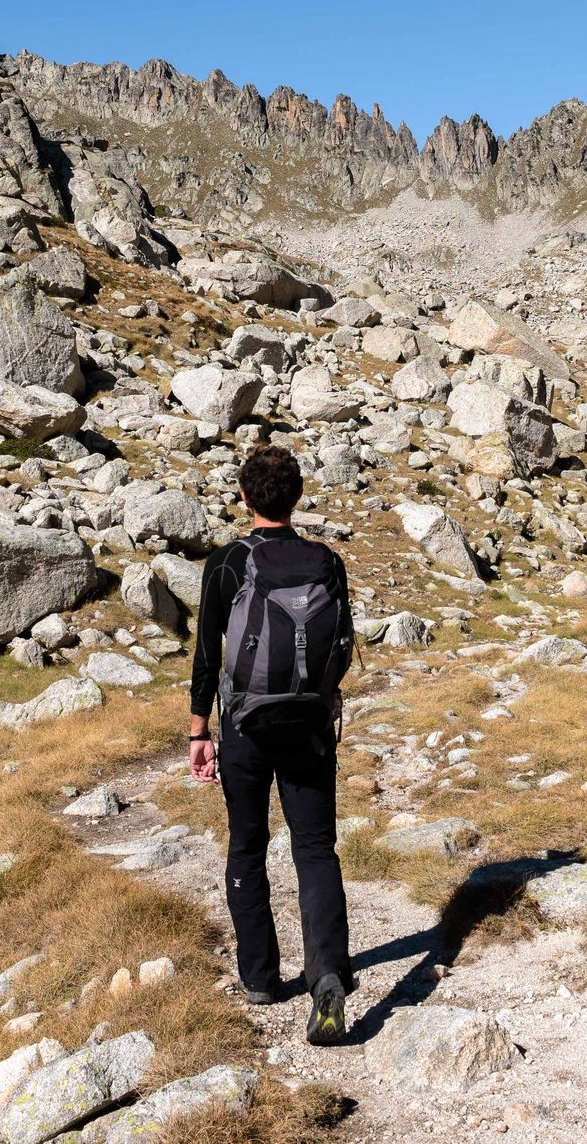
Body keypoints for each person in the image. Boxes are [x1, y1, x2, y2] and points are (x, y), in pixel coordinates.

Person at [187, 443, 355, 1046]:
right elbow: (341, 647)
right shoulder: (327, 562)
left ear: (243, 497)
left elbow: (210, 654)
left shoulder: (228, 562)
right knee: (315, 849)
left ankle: (260, 976)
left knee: (248, 846)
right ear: (298, 497)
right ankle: (329, 972)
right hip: (309, 726)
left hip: (246, 728)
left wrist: (198, 730)